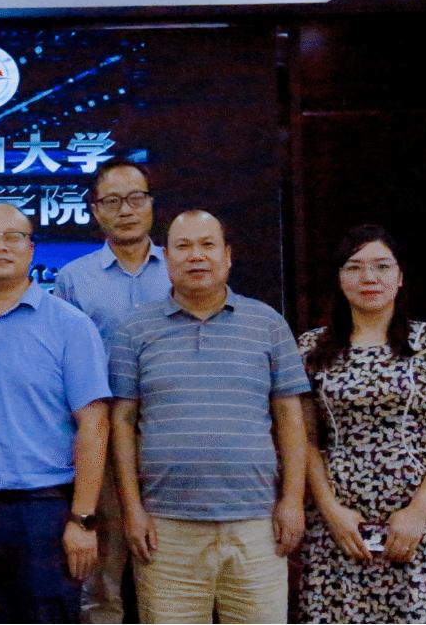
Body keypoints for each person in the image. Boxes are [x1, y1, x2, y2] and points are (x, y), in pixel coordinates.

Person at [108, 210, 309, 624]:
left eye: (207, 245)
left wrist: (292, 501)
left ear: (227, 256)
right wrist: (132, 510)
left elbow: (290, 418)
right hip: (165, 529)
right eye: (183, 246)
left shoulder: (268, 323)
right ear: (166, 258)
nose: (196, 256)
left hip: (257, 524)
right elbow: (122, 423)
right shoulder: (134, 330)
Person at [0, 204, 111, 622]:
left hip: (43, 513)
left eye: (12, 237)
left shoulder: (70, 326)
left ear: (31, 249)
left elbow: (94, 423)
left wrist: (83, 519)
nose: (0, 247)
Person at [295, 225, 426, 623]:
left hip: (419, 516)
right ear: (340, 278)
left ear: (400, 276)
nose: (368, 277)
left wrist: (417, 513)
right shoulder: (309, 348)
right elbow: (304, 440)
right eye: (354, 267)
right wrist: (331, 511)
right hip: (340, 519)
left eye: (381, 266)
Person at [52, 157, 170, 624]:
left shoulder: (181, 267)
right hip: (100, 438)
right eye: (113, 201)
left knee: (169, 570)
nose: (126, 210)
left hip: (168, 436)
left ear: (151, 204)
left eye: (136, 198)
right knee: (102, 578)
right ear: (95, 209)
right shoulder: (73, 278)